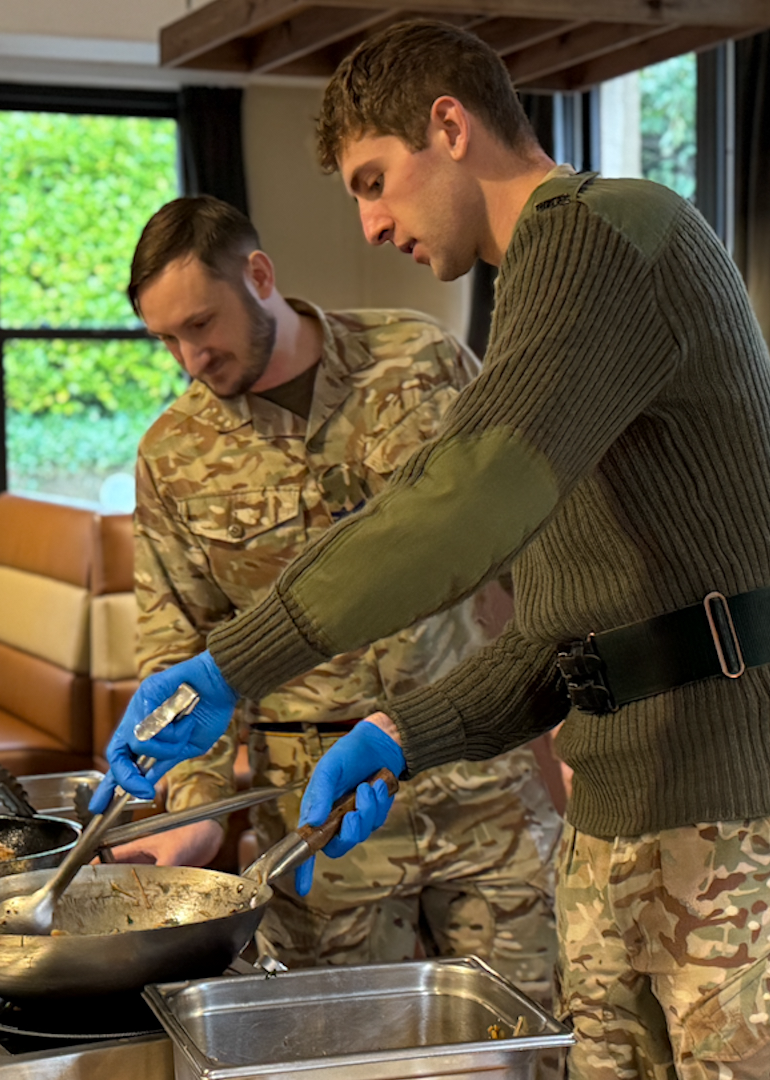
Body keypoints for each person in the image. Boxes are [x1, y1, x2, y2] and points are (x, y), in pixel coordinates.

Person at [92, 21, 770, 1080]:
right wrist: (406, 732)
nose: (374, 224)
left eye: (376, 180)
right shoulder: (531, 298)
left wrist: (233, 662)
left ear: (451, 124)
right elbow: (564, 636)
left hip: (741, 792)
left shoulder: (602, 232)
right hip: (623, 812)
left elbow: (462, 506)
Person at [106, 194, 561, 1001]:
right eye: (167, 339)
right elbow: (181, 645)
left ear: (259, 275)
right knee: (345, 1055)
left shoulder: (418, 360)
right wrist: (200, 816)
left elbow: (532, 532)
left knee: (533, 1038)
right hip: (321, 819)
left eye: (201, 324)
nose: (189, 357)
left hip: (479, 785)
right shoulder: (172, 455)